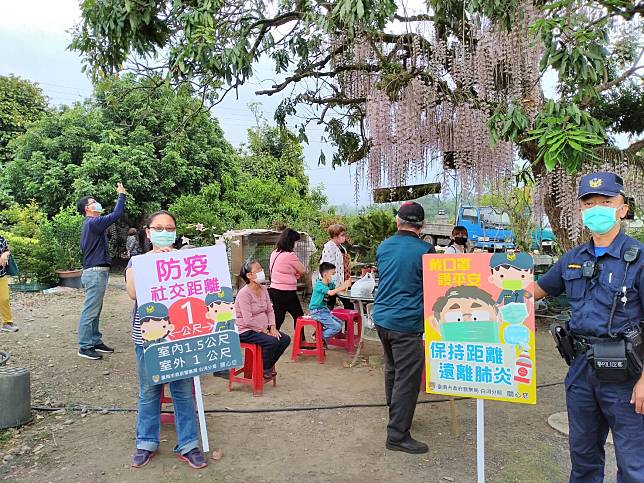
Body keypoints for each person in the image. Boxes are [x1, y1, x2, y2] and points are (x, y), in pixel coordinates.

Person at [534, 172, 644, 482]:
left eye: (606, 201)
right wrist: (481, 282)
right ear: (581, 211)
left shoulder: (638, 259)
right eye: (589, 202)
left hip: (627, 374)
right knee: (582, 458)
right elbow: (535, 292)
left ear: (623, 208)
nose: (597, 208)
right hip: (582, 371)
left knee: (634, 465)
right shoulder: (572, 259)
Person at [125, 210, 208, 470]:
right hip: (148, 340)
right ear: (148, 232)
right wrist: (154, 265)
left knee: (183, 391)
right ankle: (145, 442)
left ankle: (188, 444)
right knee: (149, 390)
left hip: (181, 337)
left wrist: (178, 263)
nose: (164, 232)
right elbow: (133, 293)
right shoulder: (137, 262)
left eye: (169, 227)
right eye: (158, 227)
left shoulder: (187, 260)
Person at [372, 201, 435, 454]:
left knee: (392, 370)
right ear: (422, 226)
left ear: (398, 221)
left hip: (382, 320)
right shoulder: (426, 251)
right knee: (407, 379)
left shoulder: (383, 247)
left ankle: (396, 415)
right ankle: (397, 435)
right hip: (406, 324)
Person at [75, 183, 126, 360]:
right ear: (86, 209)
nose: (96, 203)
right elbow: (117, 214)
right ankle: (84, 346)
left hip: (97, 271)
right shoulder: (93, 223)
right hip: (95, 272)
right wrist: (121, 195)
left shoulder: (92, 225)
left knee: (96, 309)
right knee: (90, 310)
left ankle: (95, 340)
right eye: (92, 202)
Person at [236, 260, 291, 380]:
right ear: (249, 275)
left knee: (285, 339)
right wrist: (265, 331)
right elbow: (248, 320)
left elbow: (270, 310)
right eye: (258, 270)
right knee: (272, 341)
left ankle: (267, 365)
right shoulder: (243, 294)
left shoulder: (263, 289)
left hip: (263, 328)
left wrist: (272, 327)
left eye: (261, 269)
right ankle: (263, 367)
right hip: (246, 330)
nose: (262, 272)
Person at [268, 228, 307, 331]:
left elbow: (281, 269)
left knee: (278, 316)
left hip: (274, 290)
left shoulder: (274, 253)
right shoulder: (290, 255)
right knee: (299, 316)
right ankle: (301, 342)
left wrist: (293, 273)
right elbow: (302, 270)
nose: (296, 244)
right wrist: (296, 274)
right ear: (291, 241)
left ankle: (271, 339)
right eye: (296, 241)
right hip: (286, 292)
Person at [309, 262, 352, 346]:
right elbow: (331, 293)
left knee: (339, 323)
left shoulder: (330, 284)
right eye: (333, 273)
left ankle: (320, 335)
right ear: (325, 274)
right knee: (336, 327)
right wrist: (342, 287)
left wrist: (346, 284)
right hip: (316, 311)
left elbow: (338, 290)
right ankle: (319, 337)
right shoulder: (319, 285)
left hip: (324, 310)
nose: (334, 275)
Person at [320, 224, 353, 309]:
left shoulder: (340, 247)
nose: (344, 237)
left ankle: (345, 321)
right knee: (330, 304)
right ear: (335, 236)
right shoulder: (329, 247)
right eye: (342, 235)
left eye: (344, 235)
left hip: (340, 281)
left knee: (347, 304)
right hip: (332, 282)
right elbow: (327, 266)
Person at [0, 236, 17, 332]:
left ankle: (7, 323)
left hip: (1, 275)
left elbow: (7, 250)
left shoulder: (2, 239)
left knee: (4, 299)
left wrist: (5, 254)